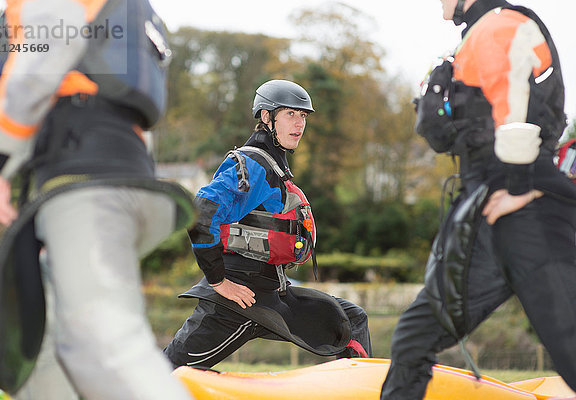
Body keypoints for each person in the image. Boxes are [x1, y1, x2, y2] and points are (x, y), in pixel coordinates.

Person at [0, 1, 193, 399]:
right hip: (113, 184)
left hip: (86, 191)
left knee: (100, 346)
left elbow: (48, 53)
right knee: (41, 365)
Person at [380, 0, 576, 398]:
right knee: (413, 340)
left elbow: (520, 114)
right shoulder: (479, 33)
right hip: (487, 206)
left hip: (521, 205)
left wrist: (521, 186)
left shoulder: (498, 27)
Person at [163, 79, 372, 368]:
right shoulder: (253, 164)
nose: (299, 124)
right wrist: (218, 281)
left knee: (351, 320)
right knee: (166, 373)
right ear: (266, 117)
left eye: (303, 116)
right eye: (290, 114)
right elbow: (202, 210)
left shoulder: (275, 164)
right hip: (236, 304)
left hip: (274, 296)